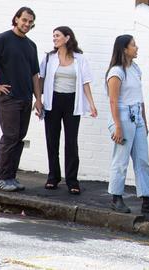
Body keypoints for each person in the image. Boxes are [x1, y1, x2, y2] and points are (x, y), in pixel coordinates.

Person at [0, 7, 42, 192]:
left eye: (30, 22)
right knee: (10, 137)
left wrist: (38, 99)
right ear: (16, 19)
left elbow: (34, 75)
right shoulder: (3, 39)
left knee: (19, 138)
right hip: (9, 99)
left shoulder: (31, 45)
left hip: (25, 99)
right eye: (24, 20)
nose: (27, 24)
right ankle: (1, 178)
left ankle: (11, 177)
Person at [105, 35, 149, 215]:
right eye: (133, 45)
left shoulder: (135, 69)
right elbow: (113, 101)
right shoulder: (116, 72)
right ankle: (116, 197)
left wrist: (144, 122)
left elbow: (140, 99)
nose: (137, 47)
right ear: (124, 49)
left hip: (136, 117)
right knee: (121, 159)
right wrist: (117, 126)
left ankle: (146, 198)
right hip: (123, 117)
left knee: (142, 160)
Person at [40, 26, 97, 194]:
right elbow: (40, 79)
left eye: (57, 36)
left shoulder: (80, 58)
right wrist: (38, 100)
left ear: (67, 37)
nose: (54, 39)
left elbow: (86, 82)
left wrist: (91, 105)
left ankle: (72, 180)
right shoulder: (49, 58)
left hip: (72, 101)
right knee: (52, 140)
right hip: (53, 101)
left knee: (71, 142)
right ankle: (53, 177)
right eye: (53, 36)